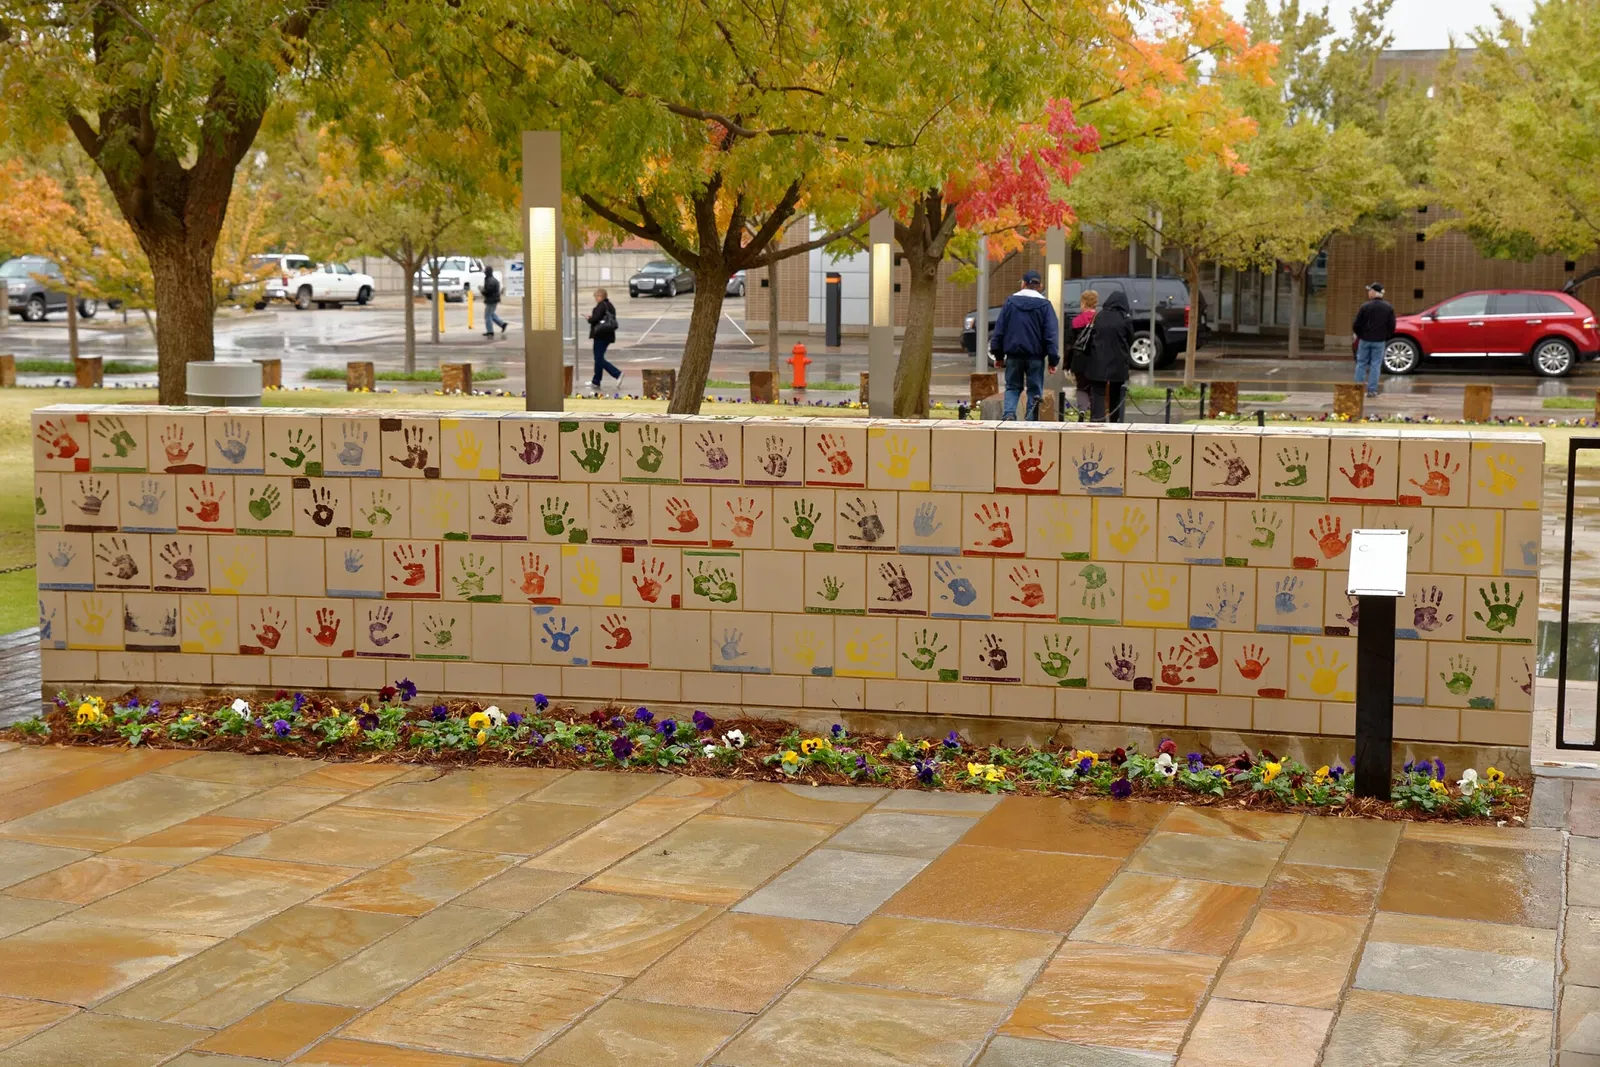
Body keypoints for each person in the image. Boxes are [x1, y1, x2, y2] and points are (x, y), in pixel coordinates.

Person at [989, 269, 1059, 420]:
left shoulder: (1010, 303)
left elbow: (999, 331)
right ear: (1039, 286)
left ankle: (1009, 414)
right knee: (1034, 391)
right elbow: (1051, 334)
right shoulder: (1045, 306)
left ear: (1023, 284)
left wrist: (998, 355)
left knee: (1012, 387)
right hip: (1036, 357)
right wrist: (1053, 359)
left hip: (1014, 355)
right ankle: (1030, 420)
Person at [1082, 288, 1132, 421]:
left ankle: (1098, 420)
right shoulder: (1125, 319)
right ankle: (1116, 420)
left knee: (1098, 394)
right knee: (1116, 394)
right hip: (1118, 363)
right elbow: (1130, 339)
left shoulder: (1099, 316)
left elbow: (1092, 337)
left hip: (1098, 362)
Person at [1351, 281, 1395, 398]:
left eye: (1370, 290)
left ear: (1374, 292)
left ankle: (1358, 389)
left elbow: (1356, 324)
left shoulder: (1365, 306)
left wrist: (1360, 335)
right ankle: (1372, 390)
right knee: (1376, 365)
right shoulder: (1388, 307)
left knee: (1361, 364)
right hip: (1379, 340)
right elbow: (1392, 326)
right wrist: (1385, 336)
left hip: (1365, 339)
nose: (1368, 292)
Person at [1067, 289, 1099, 417]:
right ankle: (1095, 415)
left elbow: (1069, 345)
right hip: (1095, 360)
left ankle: (1082, 410)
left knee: (1081, 387)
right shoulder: (1099, 319)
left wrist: (1067, 365)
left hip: (1079, 360)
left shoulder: (1076, 321)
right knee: (1095, 389)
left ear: (1084, 303)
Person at [586, 288, 622, 393]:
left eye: (596, 297)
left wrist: (589, 318)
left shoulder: (601, 305)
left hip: (600, 335)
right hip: (608, 335)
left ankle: (617, 374)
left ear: (600, 296)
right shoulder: (609, 305)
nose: (595, 299)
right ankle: (596, 381)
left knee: (598, 358)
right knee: (599, 358)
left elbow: (595, 319)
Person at [481, 266, 507, 339]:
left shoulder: (490, 281)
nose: (484, 273)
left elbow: (489, 291)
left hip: (491, 301)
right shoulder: (492, 280)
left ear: (487, 272)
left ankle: (490, 331)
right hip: (493, 300)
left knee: (487, 315)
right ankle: (502, 324)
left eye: (485, 271)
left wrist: (482, 291)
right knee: (491, 314)